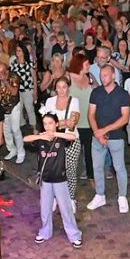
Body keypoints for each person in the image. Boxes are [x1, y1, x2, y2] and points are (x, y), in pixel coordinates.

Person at [25, 114, 83, 248]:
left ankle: (74, 235)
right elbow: (26, 139)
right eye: (45, 123)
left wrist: (56, 133)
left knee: (65, 208)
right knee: (45, 208)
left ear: (56, 124)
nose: (48, 126)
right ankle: (45, 232)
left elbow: (73, 137)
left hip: (60, 180)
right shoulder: (40, 139)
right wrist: (40, 136)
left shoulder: (60, 138)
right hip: (45, 180)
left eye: (50, 123)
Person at [87, 65, 130, 213]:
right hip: (97, 137)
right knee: (97, 167)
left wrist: (103, 131)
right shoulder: (96, 92)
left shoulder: (123, 94)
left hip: (116, 137)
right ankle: (100, 195)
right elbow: (91, 114)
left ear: (113, 76)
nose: (102, 78)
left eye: (106, 75)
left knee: (119, 168)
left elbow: (125, 118)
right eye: (101, 75)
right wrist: (97, 133)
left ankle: (122, 196)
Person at [39, 76, 81, 205]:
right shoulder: (50, 101)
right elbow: (46, 123)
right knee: (53, 171)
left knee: (70, 170)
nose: (61, 90)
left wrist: (56, 124)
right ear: (55, 88)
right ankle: (55, 198)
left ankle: (71, 199)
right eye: (59, 87)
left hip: (70, 141)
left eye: (64, 87)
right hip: (53, 142)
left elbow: (72, 124)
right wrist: (64, 122)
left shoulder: (74, 101)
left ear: (68, 87)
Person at [67, 55, 96, 187]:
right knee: (72, 154)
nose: (88, 65)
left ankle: (91, 177)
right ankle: (69, 180)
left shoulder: (89, 77)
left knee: (90, 153)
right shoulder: (69, 77)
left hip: (89, 121)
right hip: (74, 124)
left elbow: (98, 90)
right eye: (86, 64)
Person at [0, 63, 24, 163]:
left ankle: (21, 152)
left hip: (14, 106)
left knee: (15, 129)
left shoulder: (13, 76)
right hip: (3, 108)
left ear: (6, 71)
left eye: (1, 72)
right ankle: (12, 149)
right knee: (6, 131)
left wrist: (5, 81)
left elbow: (14, 92)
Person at [9, 43, 37, 129]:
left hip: (27, 89)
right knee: (18, 109)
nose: (17, 52)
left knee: (29, 109)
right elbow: (11, 76)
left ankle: (34, 126)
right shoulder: (13, 63)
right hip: (17, 90)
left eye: (19, 50)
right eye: (16, 50)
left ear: (23, 52)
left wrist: (35, 91)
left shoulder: (29, 63)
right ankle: (21, 125)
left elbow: (34, 78)